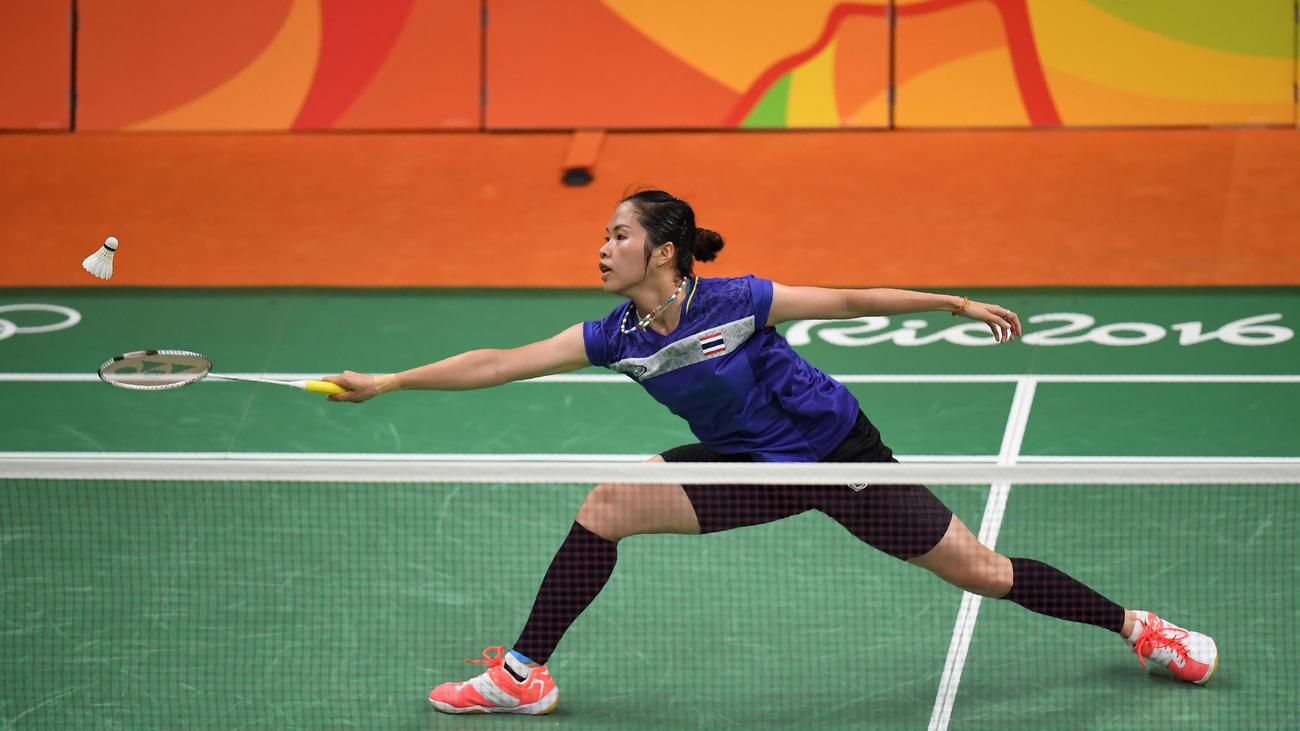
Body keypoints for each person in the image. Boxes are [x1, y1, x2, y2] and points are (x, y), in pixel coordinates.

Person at [325, 190, 1218, 716]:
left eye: (618, 235)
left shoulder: (739, 300)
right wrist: (390, 381)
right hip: (748, 468)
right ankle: (523, 675)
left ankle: (1142, 628)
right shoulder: (614, 335)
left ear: (662, 251)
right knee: (606, 504)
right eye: (604, 236)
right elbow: (498, 362)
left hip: (837, 457)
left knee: (984, 570)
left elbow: (849, 299)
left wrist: (951, 302)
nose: (602, 248)